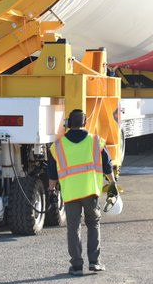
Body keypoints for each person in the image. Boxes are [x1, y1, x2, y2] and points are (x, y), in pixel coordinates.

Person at [47, 109, 115, 275]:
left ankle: (77, 266)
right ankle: (94, 262)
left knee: (73, 228)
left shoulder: (57, 146)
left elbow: (52, 174)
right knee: (93, 224)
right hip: (90, 192)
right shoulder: (96, 141)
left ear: (69, 124)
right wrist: (113, 183)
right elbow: (107, 166)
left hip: (70, 194)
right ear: (85, 123)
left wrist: (51, 191)